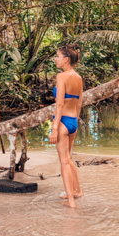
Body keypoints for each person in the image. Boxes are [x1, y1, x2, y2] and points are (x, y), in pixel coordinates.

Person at [50, 45, 83, 207]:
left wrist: (55, 128)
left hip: (62, 121)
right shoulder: (78, 77)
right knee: (69, 159)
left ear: (66, 60)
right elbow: (79, 103)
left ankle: (71, 201)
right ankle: (77, 191)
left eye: (58, 56)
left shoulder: (62, 77)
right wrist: (74, 122)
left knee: (63, 162)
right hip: (73, 122)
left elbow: (60, 104)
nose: (56, 59)